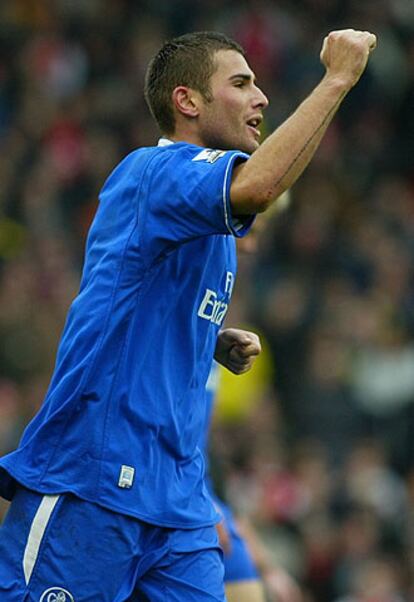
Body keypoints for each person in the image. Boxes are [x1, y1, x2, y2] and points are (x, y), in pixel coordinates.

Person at [0, 28, 376, 601]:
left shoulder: (210, 226)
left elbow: (130, 295)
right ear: (188, 102)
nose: (262, 98)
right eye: (241, 83)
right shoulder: (155, 171)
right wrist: (337, 79)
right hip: (94, 479)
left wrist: (203, 336)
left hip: (177, 501)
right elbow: (257, 187)